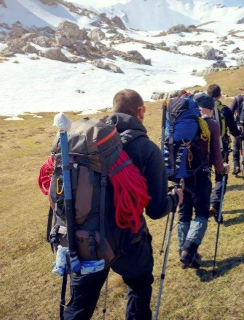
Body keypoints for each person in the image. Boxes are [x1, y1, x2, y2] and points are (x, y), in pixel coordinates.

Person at [64, 89, 183, 320]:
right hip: (129, 239)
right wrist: (175, 198)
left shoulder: (90, 142)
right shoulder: (147, 148)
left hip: (84, 239)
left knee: (79, 306)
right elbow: (157, 209)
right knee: (139, 287)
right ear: (140, 111)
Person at [177, 92, 230, 269]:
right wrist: (223, 170)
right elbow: (216, 156)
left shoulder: (178, 121)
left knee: (184, 214)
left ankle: (183, 251)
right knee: (201, 213)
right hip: (200, 175)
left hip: (180, 176)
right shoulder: (210, 124)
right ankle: (189, 250)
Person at [206, 84, 241, 222]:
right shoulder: (225, 110)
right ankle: (215, 206)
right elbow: (233, 130)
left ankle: (206, 206)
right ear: (219, 95)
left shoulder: (201, 110)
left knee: (206, 177)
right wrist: (239, 133)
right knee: (221, 177)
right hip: (222, 148)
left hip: (205, 150)